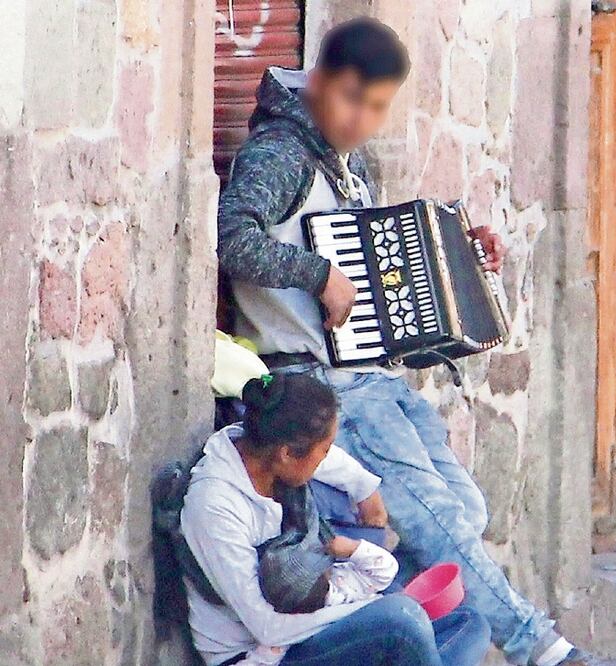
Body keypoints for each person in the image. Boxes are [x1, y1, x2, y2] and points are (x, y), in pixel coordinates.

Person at [216, 16, 595, 666]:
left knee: (463, 512)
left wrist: (467, 263)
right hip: (316, 383)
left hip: (373, 380)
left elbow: (377, 278)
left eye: (377, 107)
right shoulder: (280, 153)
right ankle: (540, 646)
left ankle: (404, 636)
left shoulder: (347, 161)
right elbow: (230, 236)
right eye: (350, 99)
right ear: (320, 84)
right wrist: (317, 274)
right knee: (430, 521)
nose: (361, 118)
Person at [181, 373, 491, 665]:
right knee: (402, 620)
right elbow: (267, 627)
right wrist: (366, 607)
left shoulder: (266, 452)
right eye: (325, 450)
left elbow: (331, 464)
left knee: (471, 625)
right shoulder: (214, 506)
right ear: (288, 454)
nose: (326, 459)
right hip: (262, 652)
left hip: (313, 623)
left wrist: (366, 489)